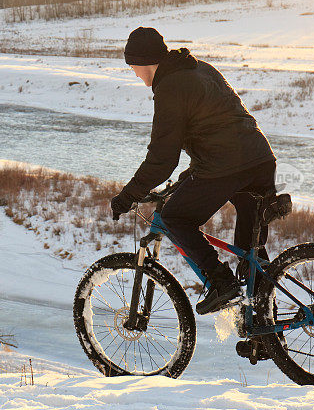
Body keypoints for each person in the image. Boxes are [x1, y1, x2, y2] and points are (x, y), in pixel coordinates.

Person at [110, 27, 277, 315]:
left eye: (133, 67)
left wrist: (128, 195)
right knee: (251, 253)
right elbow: (220, 124)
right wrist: (191, 175)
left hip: (228, 166)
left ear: (143, 62)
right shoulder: (200, 68)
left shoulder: (170, 87)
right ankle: (264, 329)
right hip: (260, 159)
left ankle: (220, 281)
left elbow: (162, 159)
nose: (135, 74)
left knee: (176, 217)